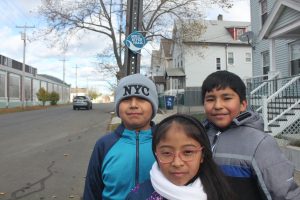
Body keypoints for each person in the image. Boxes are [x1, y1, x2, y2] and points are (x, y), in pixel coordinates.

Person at [201, 70, 300, 200]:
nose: (218, 105)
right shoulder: (198, 136)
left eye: (227, 98)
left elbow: (284, 194)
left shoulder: (260, 143)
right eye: (210, 99)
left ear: (243, 105)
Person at [83, 73, 159, 200]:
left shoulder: (166, 142)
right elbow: (92, 191)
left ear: (153, 105)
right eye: (126, 99)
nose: (133, 104)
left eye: (141, 99)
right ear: (118, 107)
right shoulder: (104, 145)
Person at [126, 114, 237, 200]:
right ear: (156, 153)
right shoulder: (139, 196)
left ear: (202, 155)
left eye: (188, 152)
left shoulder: (219, 191)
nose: (177, 163)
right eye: (166, 153)